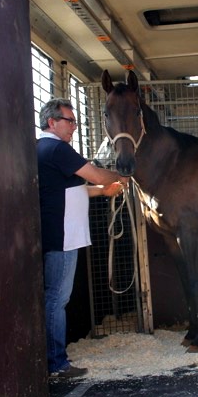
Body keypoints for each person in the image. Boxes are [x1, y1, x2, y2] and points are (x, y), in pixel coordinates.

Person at [37, 98, 128, 378]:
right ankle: (56, 363)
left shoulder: (47, 149)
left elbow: (74, 189)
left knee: (56, 299)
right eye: (70, 121)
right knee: (57, 300)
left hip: (66, 235)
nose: (74, 127)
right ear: (52, 122)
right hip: (63, 237)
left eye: (75, 121)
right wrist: (126, 175)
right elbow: (96, 174)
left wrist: (102, 192)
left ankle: (55, 360)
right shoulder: (55, 148)